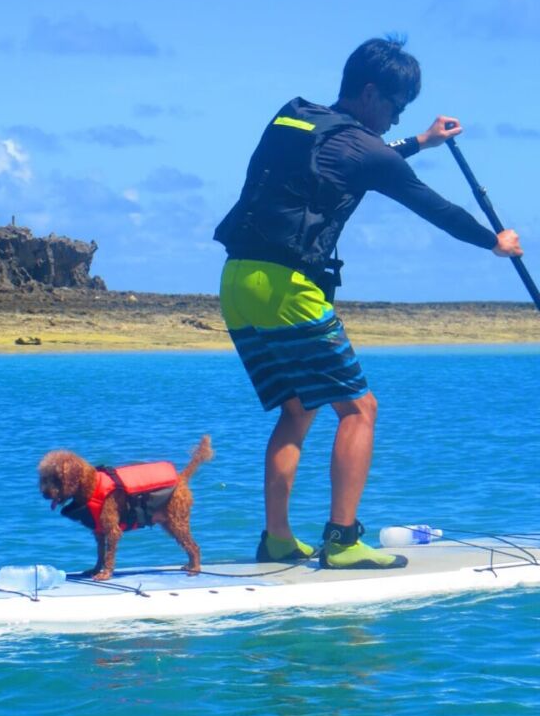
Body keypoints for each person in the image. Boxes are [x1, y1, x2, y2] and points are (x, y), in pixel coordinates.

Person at [213, 37, 523, 569]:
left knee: (297, 408)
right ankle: (342, 541)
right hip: (288, 288)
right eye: (396, 105)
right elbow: (433, 206)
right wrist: (494, 243)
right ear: (372, 91)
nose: (397, 114)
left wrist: (419, 141)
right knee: (359, 409)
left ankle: (278, 539)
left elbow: (354, 156)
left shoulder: (295, 114)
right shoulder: (371, 152)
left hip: (236, 282)